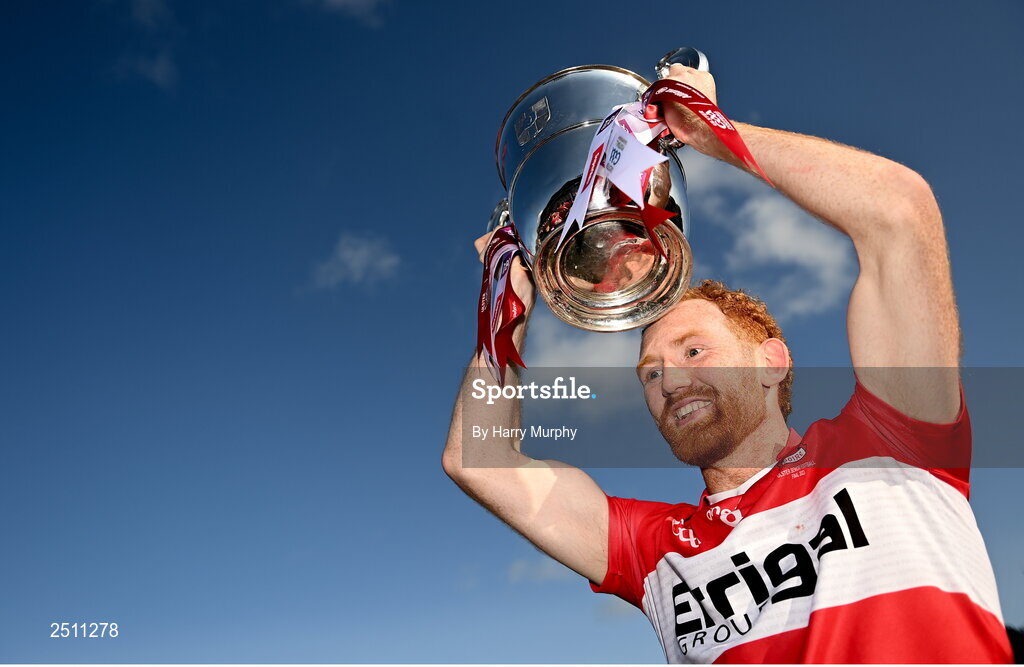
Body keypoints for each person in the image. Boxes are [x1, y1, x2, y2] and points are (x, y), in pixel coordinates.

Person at [442, 63, 1013, 663]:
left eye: (694, 350)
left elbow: (899, 213)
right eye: (651, 373)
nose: (670, 380)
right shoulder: (652, 551)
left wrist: (705, 131)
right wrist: (506, 307)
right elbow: (478, 459)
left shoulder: (894, 441)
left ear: (772, 361)